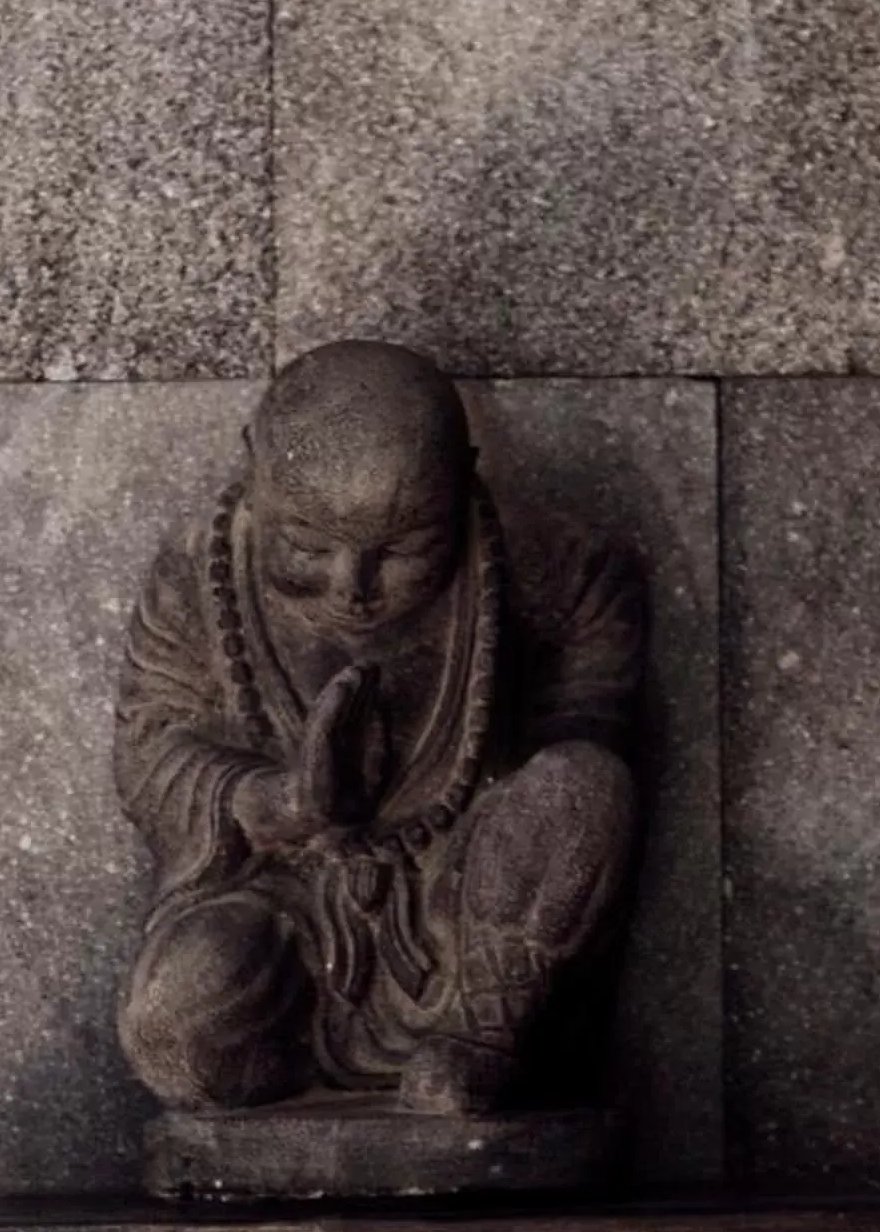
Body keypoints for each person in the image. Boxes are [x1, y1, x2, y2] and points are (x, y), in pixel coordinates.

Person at [114, 339, 643, 1116]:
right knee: (172, 1030)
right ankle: (297, 1082)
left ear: (463, 480)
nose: (351, 587)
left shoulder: (557, 569)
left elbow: (575, 762)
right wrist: (284, 801)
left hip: (468, 918)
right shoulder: (196, 576)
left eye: (402, 550)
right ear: (252, 468)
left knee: (585, 788)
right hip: (284, 909)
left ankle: (481, 1043)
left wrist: (490, 790)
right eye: (308, 546)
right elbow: (148, 753)